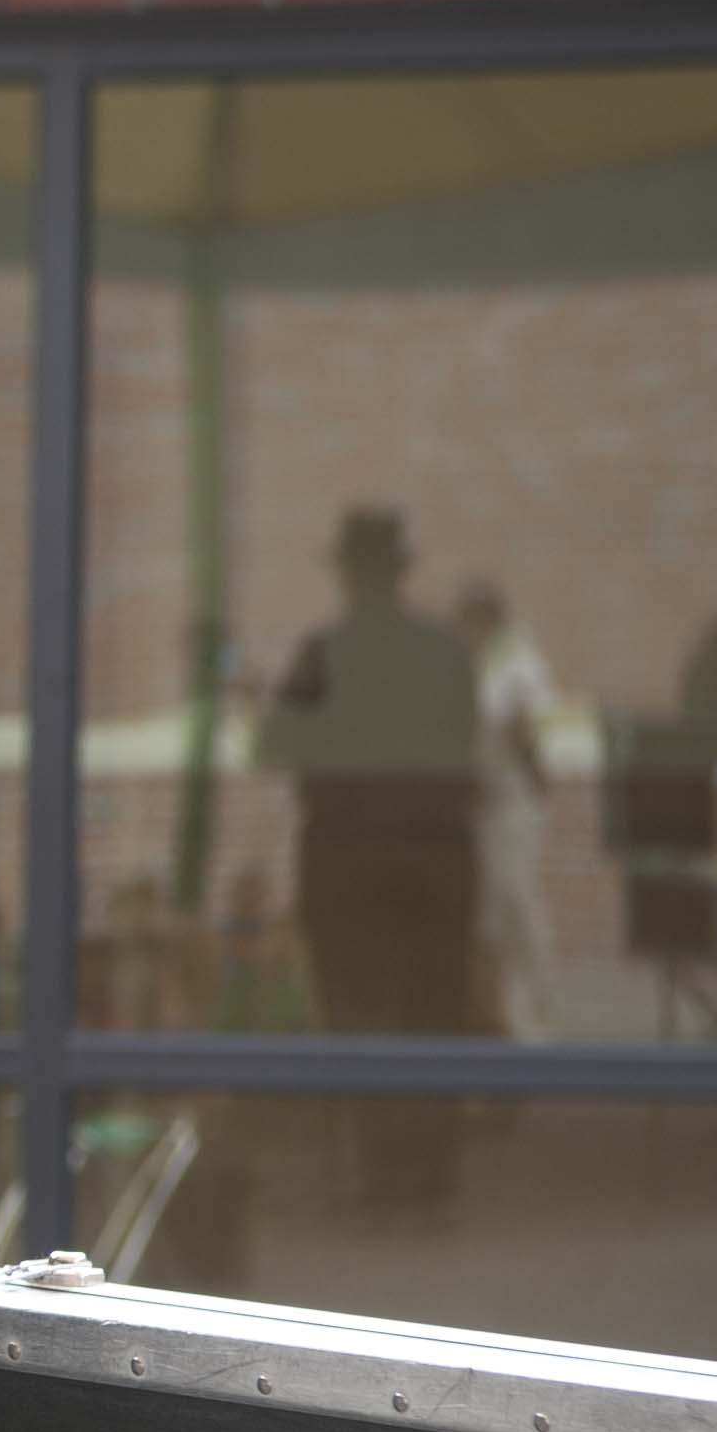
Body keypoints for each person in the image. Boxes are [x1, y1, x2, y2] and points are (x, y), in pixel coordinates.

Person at [257, 505, 480, 1201]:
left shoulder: (326, 654)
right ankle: (426, 1182)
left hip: (349, 855)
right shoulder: (443, 652)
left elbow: (274, 747)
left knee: (365, 1015)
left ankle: (389, 1180)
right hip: (433, 854)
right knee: (432, 1012)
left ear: (350, 575)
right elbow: (467, 747)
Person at [453, 579, 562, 1044]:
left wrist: (533, 781)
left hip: (511, 802)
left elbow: (526, 734)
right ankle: (496, 1013)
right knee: (488, 913)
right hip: (480, 804)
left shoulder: (517, 666)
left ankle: (539, 1010)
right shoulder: (475, 665)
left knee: (517, 901)